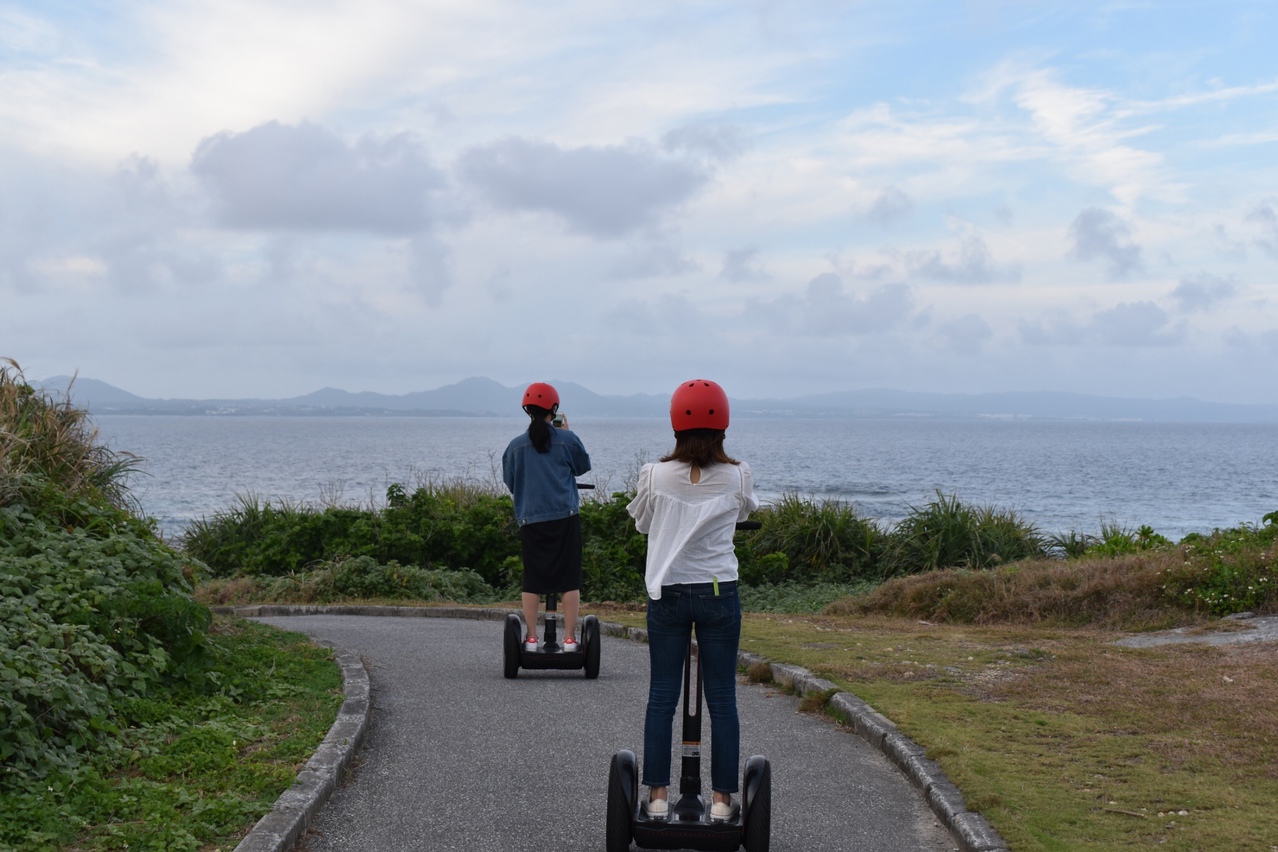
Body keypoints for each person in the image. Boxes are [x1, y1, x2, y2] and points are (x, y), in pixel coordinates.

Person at [626, 378, 759, 822]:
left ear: (674, 425)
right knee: (722, 698)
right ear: (723, 426)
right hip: (719, 592)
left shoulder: (654, 474)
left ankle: (659, 796)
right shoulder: (738, 474)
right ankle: (721, 803)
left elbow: (643, 524)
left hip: (668, 593)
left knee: (662, 695)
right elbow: (744, 510)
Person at [502, 382, 592, 652]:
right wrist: (567, 433)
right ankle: (568, 639)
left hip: (531, 520)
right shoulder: (568, 440)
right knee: (569, 579)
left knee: (533, 579)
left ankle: (530, 638)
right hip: (565, 517)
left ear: (527, 410)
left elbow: (511, 482)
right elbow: (582, 467)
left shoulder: (515, 447)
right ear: (554, 409)